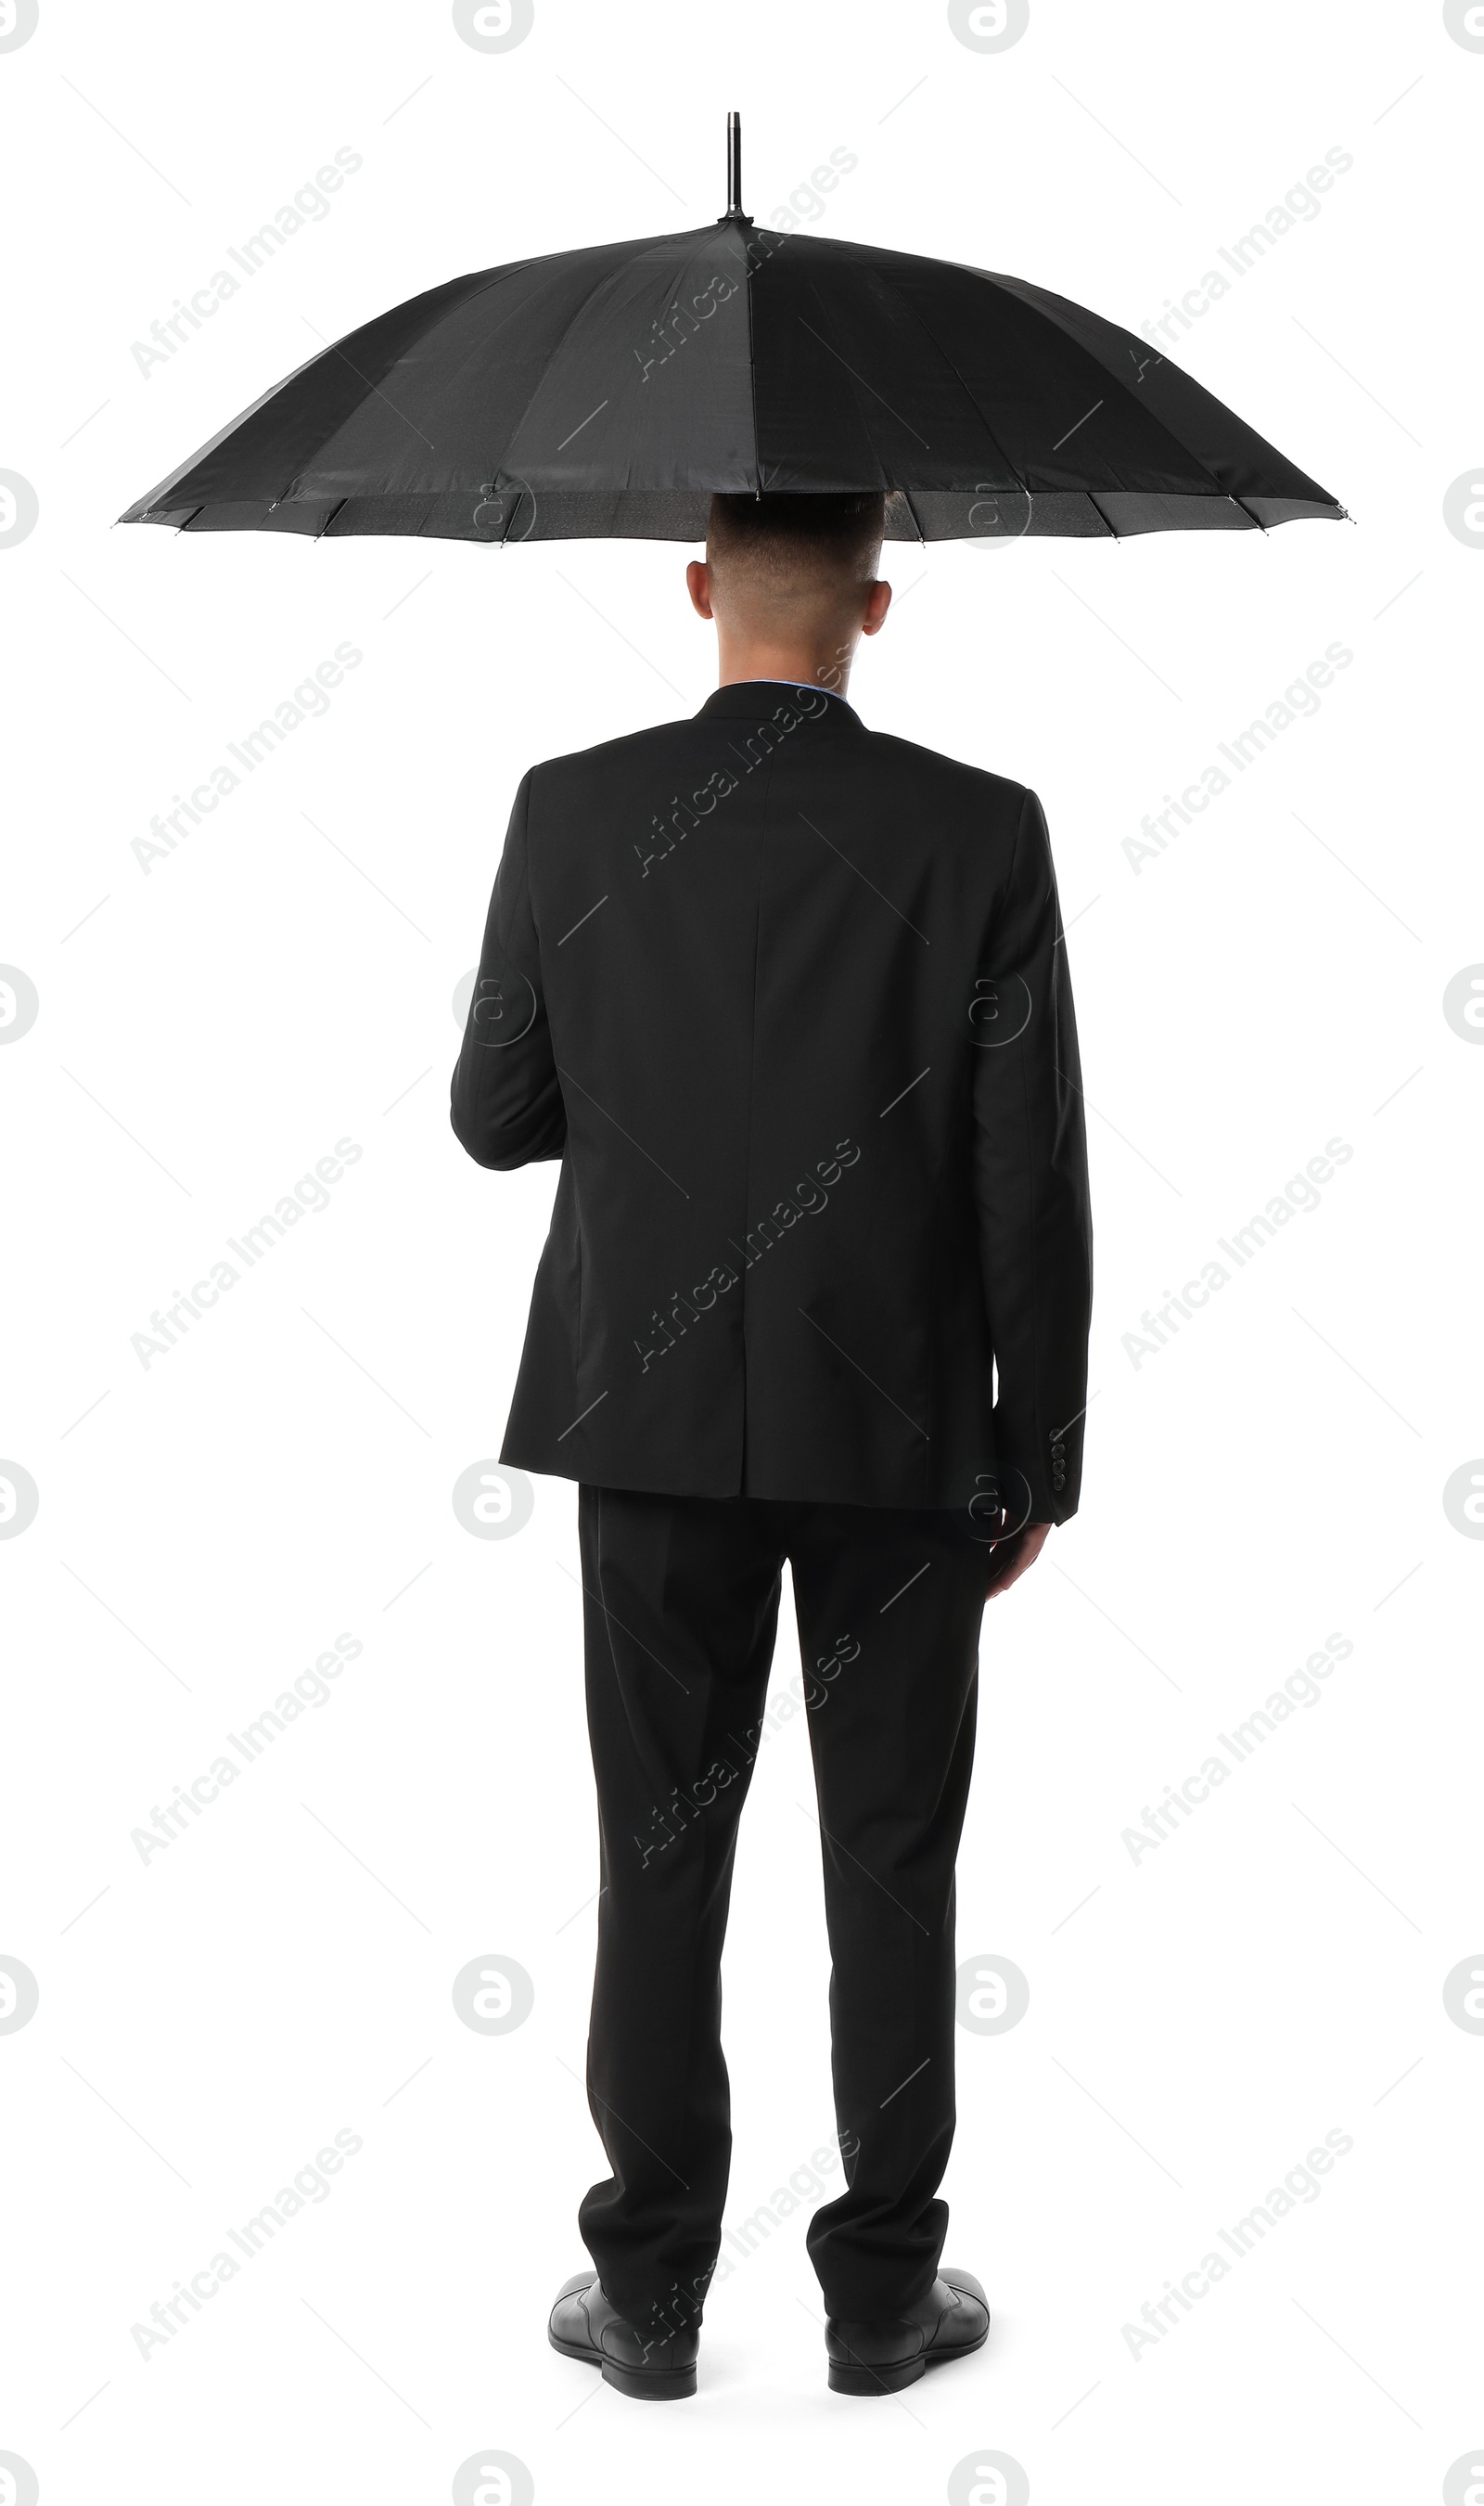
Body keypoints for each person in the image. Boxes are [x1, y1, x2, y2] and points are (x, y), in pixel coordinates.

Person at [450, 490, 1093, 2399]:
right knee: (892, 1859)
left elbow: (496, 1112)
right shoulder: (977, 830)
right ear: (875, 604)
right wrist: (1033, 1452)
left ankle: (645, 2295)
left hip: (642, 1418)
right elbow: (1025, 1176)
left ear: (697, 584)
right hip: (898, 1430)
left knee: (660, 1858)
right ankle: (882, 2299)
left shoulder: (569, 807)